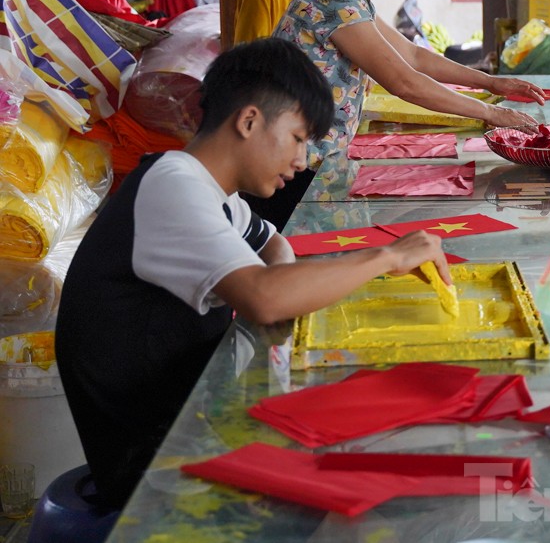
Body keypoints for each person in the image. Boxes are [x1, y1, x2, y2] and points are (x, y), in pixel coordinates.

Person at [55, 38, 455, 509]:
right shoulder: (173, 186)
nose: (302, 161)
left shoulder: (213, 190)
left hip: (192, 414)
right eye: (298, 139)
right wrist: (388, 257)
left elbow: (273, 245)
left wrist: (283, 298)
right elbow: (262, 297)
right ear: (249, 121)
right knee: (386, 476)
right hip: (155, 463)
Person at [267, 0, 544, 228]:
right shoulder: (331, 1)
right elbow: (404, 82)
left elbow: (411, 54)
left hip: (311, 160)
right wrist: (490, 112)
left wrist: (490, 82)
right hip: (294, 169)